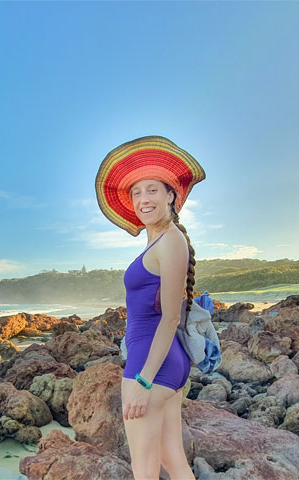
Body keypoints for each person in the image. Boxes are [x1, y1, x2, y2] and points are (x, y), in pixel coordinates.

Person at [95, 135, 206, 480]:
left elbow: (171, 317)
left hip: (151, 365)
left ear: (171, 194)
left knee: (143, 470)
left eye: (152, 190)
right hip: (166, 362)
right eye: (136, 192)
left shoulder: (171, 241)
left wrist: (142, 381)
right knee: (172, 458)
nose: (143, 199)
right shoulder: (160, 241)